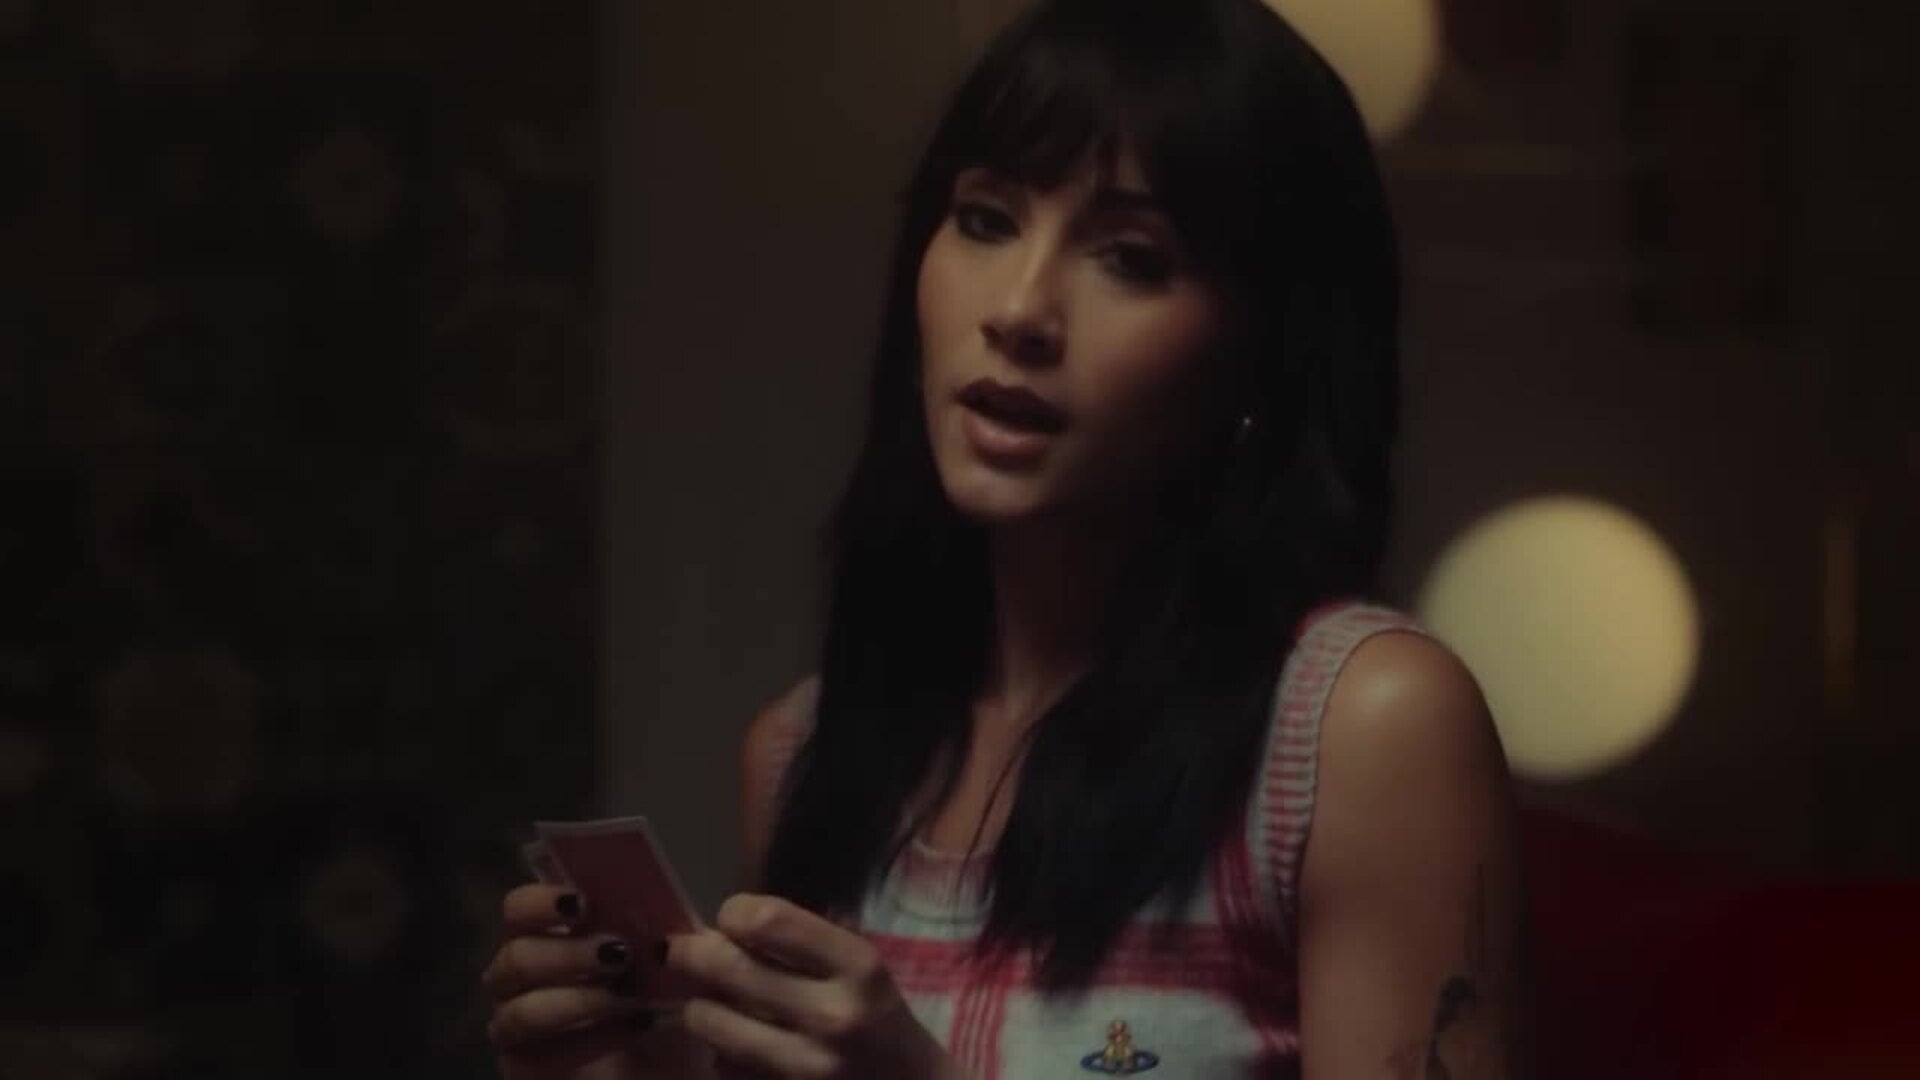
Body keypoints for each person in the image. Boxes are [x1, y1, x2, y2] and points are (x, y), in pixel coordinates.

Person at [484, 0, 1526, 1075]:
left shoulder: (1361, 731)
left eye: (1132, 258)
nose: (1021, 310)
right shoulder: (802, 754)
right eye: (986, 220)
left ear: (1261, 353)